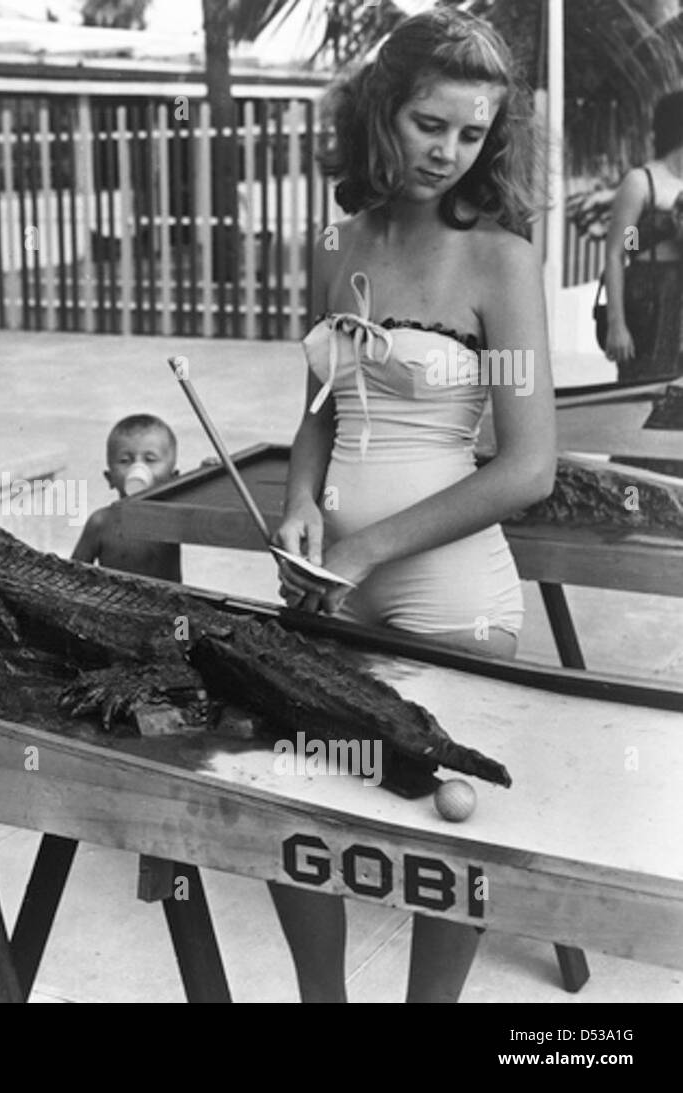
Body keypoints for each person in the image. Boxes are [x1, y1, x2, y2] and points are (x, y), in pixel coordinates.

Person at [271, 9, 555, 1003]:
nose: (447, 151)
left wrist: (366, 548)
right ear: (382, 110)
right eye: (430, 123)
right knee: (300, 810)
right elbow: (316, 407)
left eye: (470, 133)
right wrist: (303, 504)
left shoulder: (500, 262)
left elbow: (527, 469)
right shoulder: (335, 246)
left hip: (453, 597)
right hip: (328, 590)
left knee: (451, 829)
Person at [604, 90, 683, 385]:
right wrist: (617, 324)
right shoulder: (641, 181)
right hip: (648, 297)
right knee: (643, 390)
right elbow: (620, 251)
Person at [72, 413, 182, 582]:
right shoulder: (101, 522)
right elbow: (72, 574)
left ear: (173, 477)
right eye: (125, 460)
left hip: (166, 606)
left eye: (150, 459)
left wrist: (211, 473)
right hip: (114, 604)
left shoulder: (175, 517)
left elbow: (211, 511)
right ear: (110, 479)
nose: (137, 468)